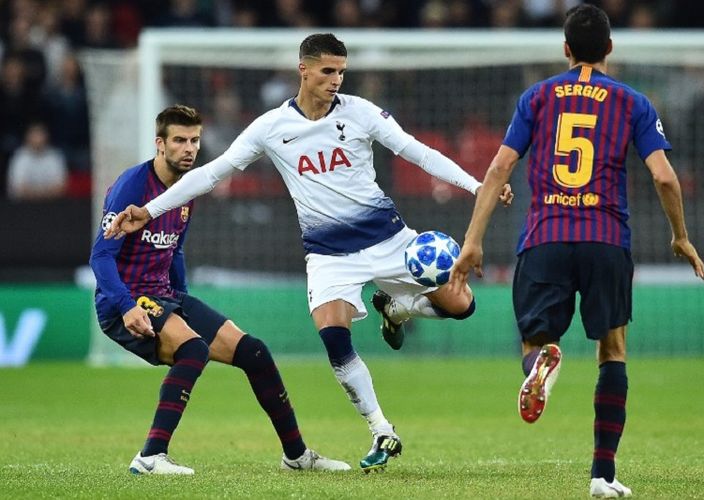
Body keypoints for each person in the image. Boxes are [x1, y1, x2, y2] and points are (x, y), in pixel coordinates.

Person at [103, 34, 512, 472]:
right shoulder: (271, 127)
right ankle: (380, 429)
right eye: (327, 71)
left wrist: (477, 186)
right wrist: (148, 210)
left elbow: (419, 153)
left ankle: (398, 309)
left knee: (462, 305)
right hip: (330, 256)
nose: (336, 80)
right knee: (334, 337)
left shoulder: (361, 113)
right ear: (304, 69)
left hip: (388, 240)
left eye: (341, 72)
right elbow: (211, 173)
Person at [448, 5, 704, 498]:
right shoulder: (633, 102)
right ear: (610, 48)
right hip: (606, 240)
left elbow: (501, 167)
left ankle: (541, 363)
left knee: (534, 341)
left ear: (565, 48)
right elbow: (665, 176)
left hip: (545, 236)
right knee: (612, 352)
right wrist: (680, 236)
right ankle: (603, 476)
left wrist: (473, 240)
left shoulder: (538, 97)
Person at [90, 105, 350, 475]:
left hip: (164, 297)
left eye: (194, 140)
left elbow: (174, 250)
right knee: (193, 349)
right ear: (159, 145)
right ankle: (149, 457)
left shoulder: (187, 187)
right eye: (179, 140)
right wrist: (127, 306)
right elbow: (101, 256)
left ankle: (296, 456)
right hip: (125, 300)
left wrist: (182, 301)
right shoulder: (133, 186)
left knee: (255, 352)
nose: (189, 148)